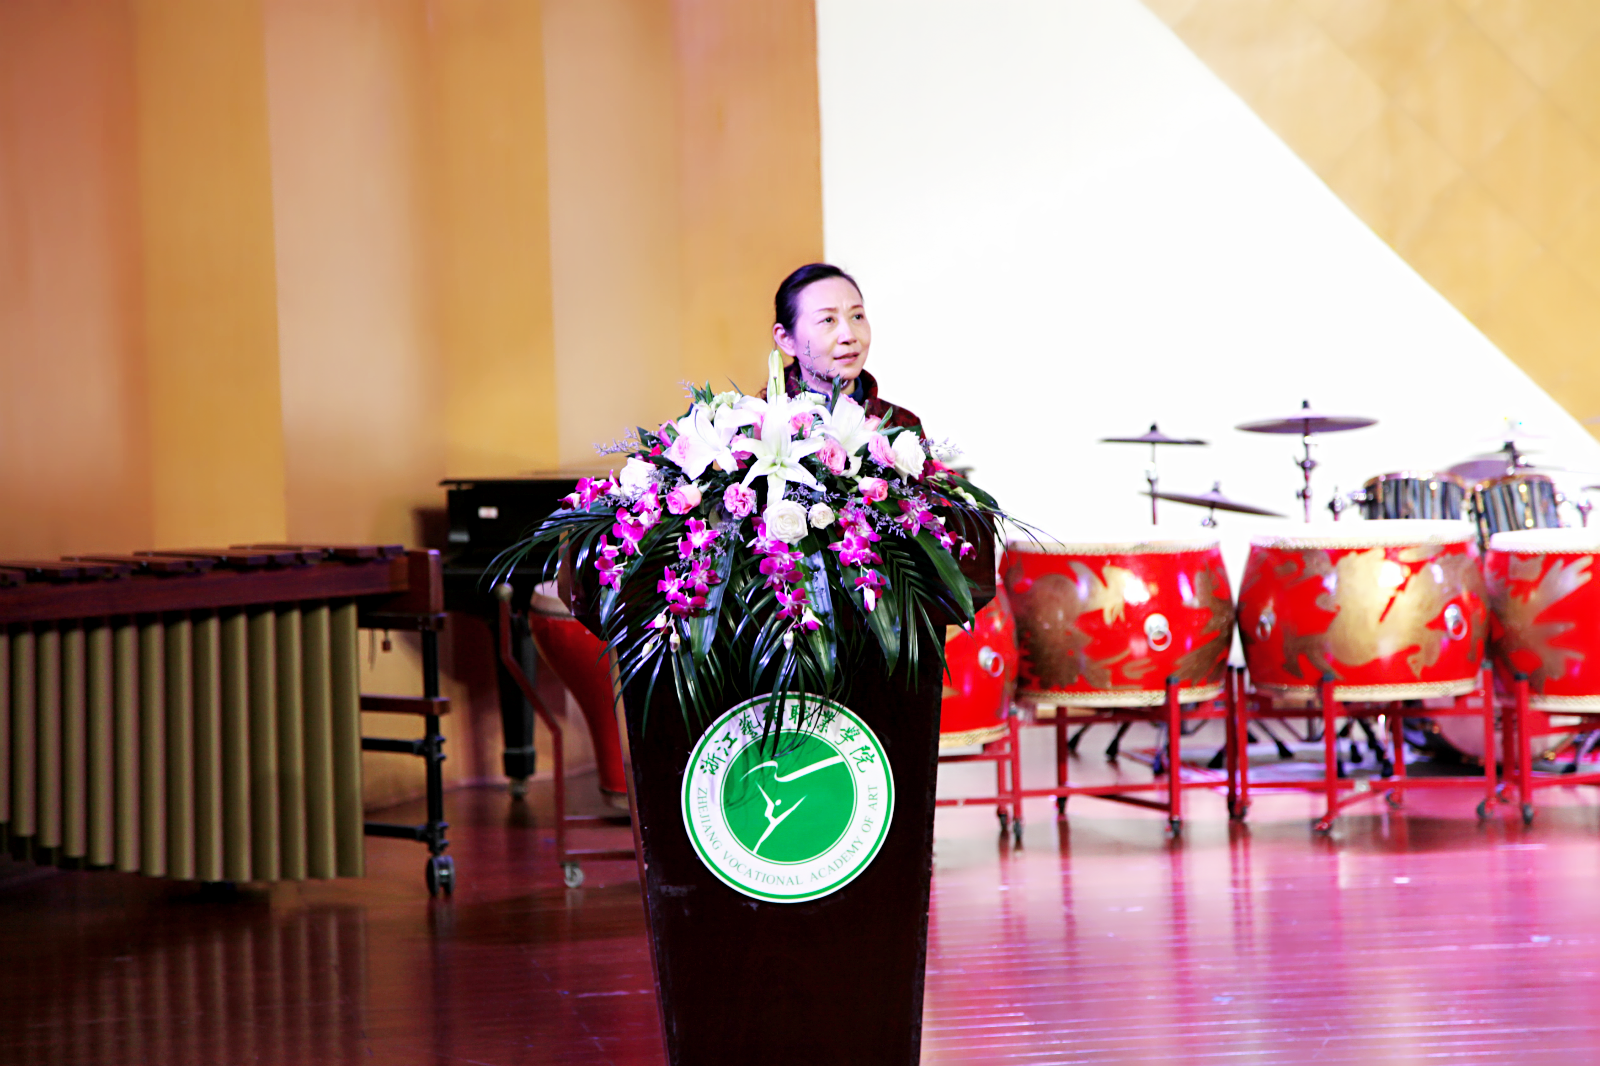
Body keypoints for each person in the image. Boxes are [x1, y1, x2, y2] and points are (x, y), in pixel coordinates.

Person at [769, 263, 922, 432]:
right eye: (828, 320)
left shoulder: (903, 427)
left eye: (857, 316)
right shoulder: (759, 427)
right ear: (786, 339)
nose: (849, 336)